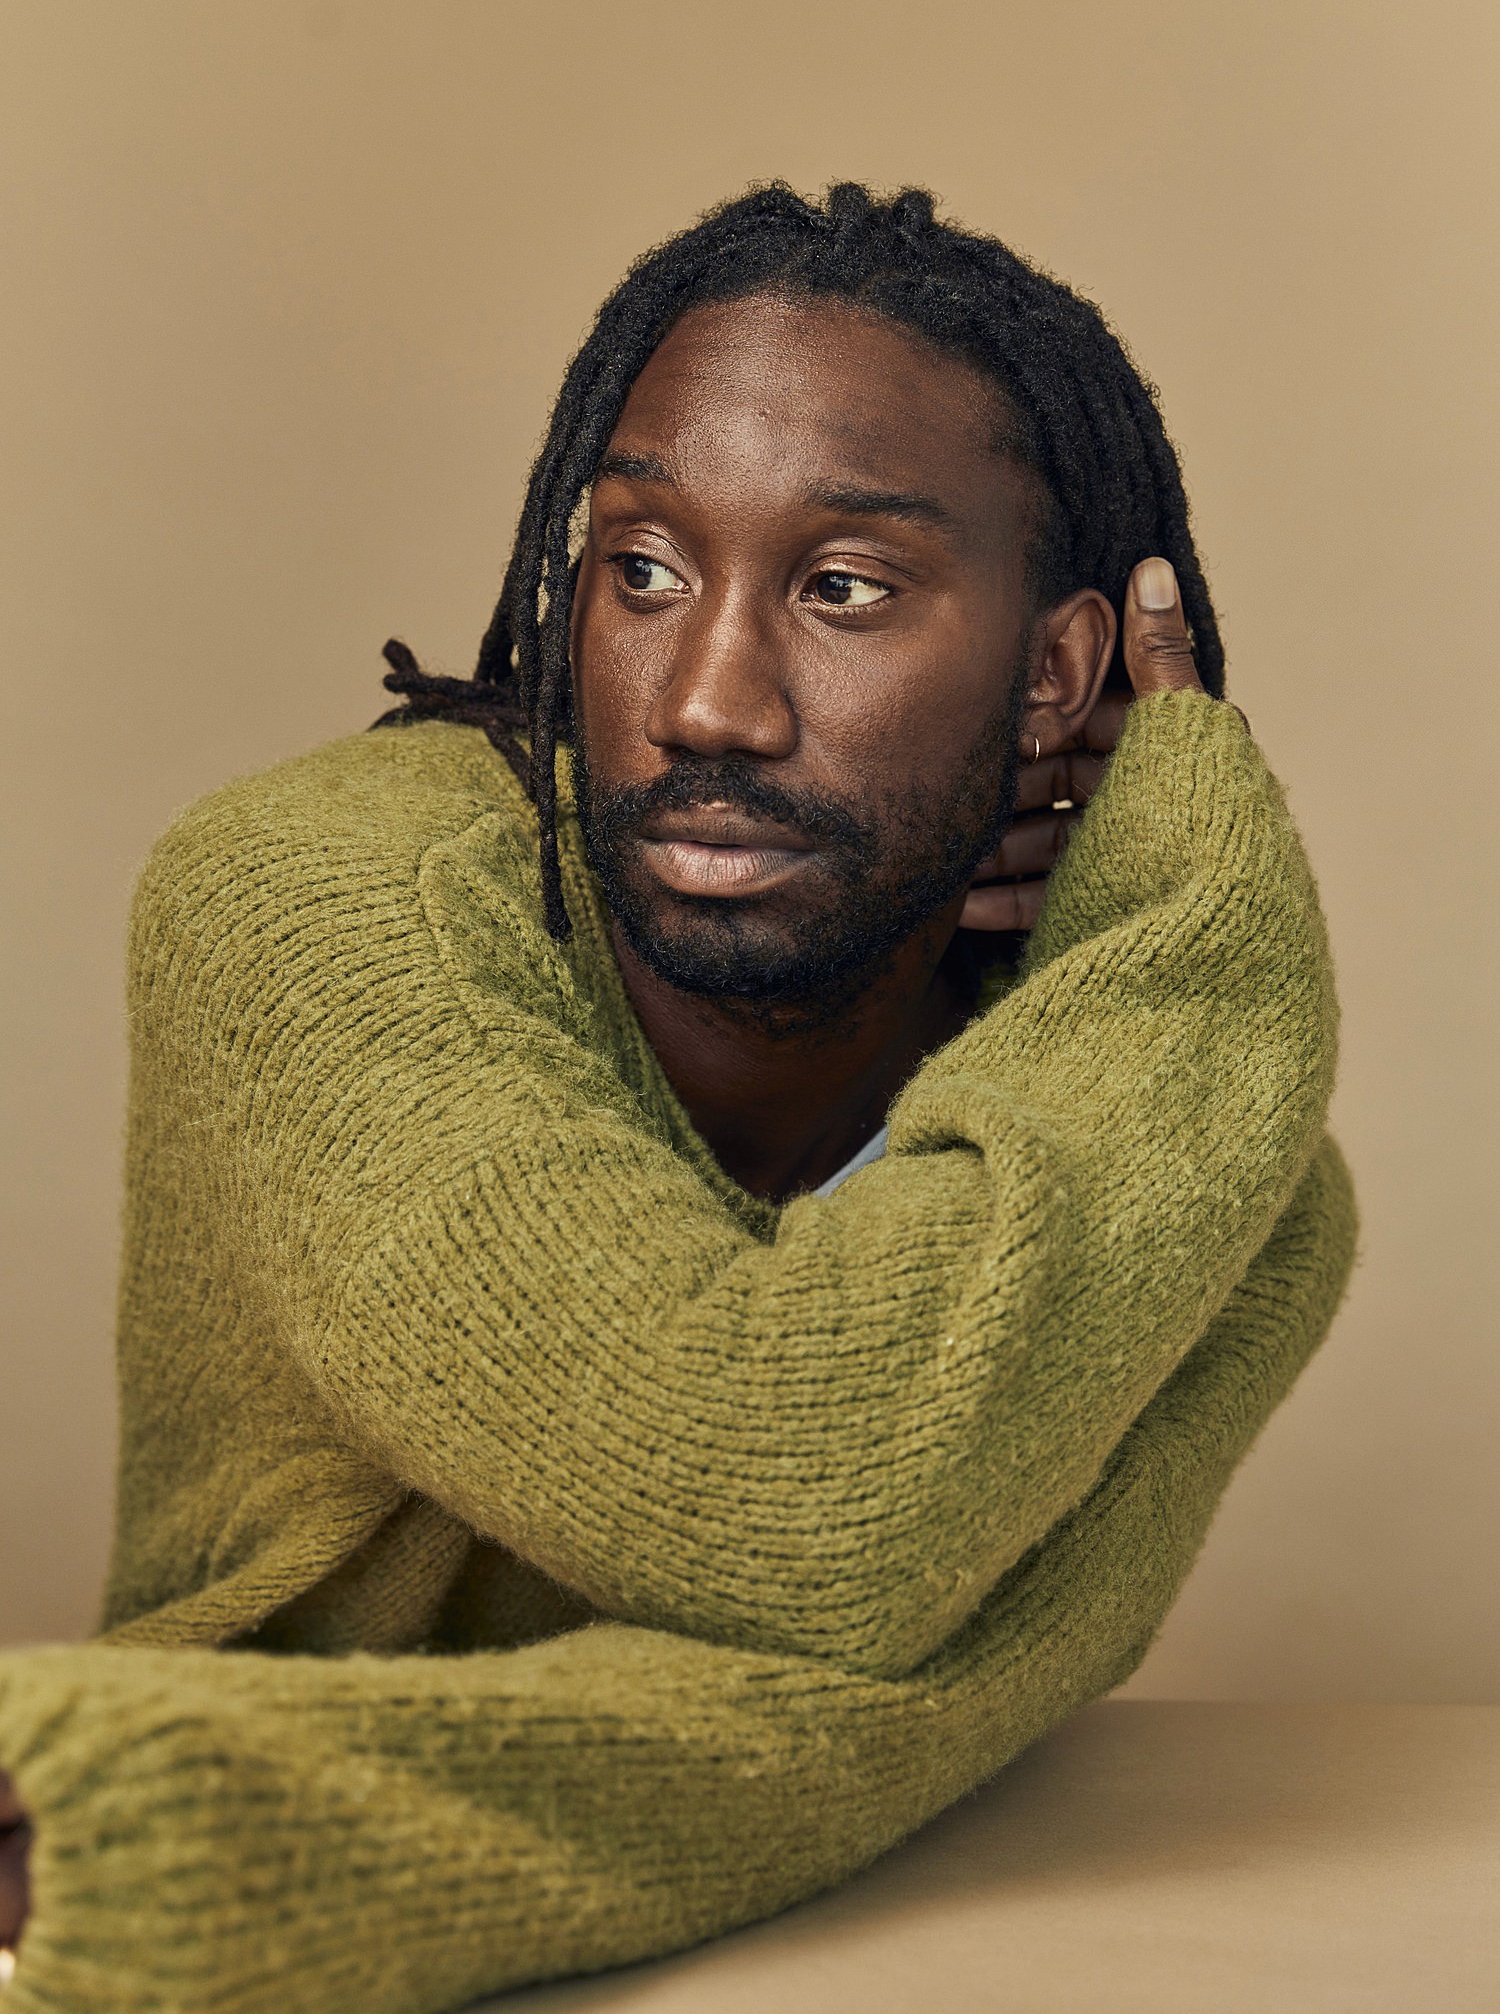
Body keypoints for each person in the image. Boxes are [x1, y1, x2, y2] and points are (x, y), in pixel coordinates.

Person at [0, 184, 1353, 2010]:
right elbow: (818, 1502)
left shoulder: (1167, 1131)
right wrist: (1206, 954)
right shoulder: (314, 910)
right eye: (640, 568)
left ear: (1057, 676)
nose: (706, 701)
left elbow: (927, 1696)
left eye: (844, 587)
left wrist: (204, 1822)